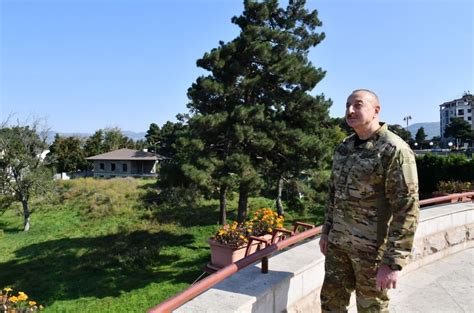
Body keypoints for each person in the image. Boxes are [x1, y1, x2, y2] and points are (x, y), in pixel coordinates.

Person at [319, 89, 419, 312]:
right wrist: (326, 232)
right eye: (347, 105)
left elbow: (407, 210)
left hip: (372, 253)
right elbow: (334, 194)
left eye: (357, 105)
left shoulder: (394, 150)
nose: (350, 110)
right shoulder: (344, 148)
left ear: (376, 111)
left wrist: (393, 263)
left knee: (371, 309)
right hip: (338, 247)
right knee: (331, 304)